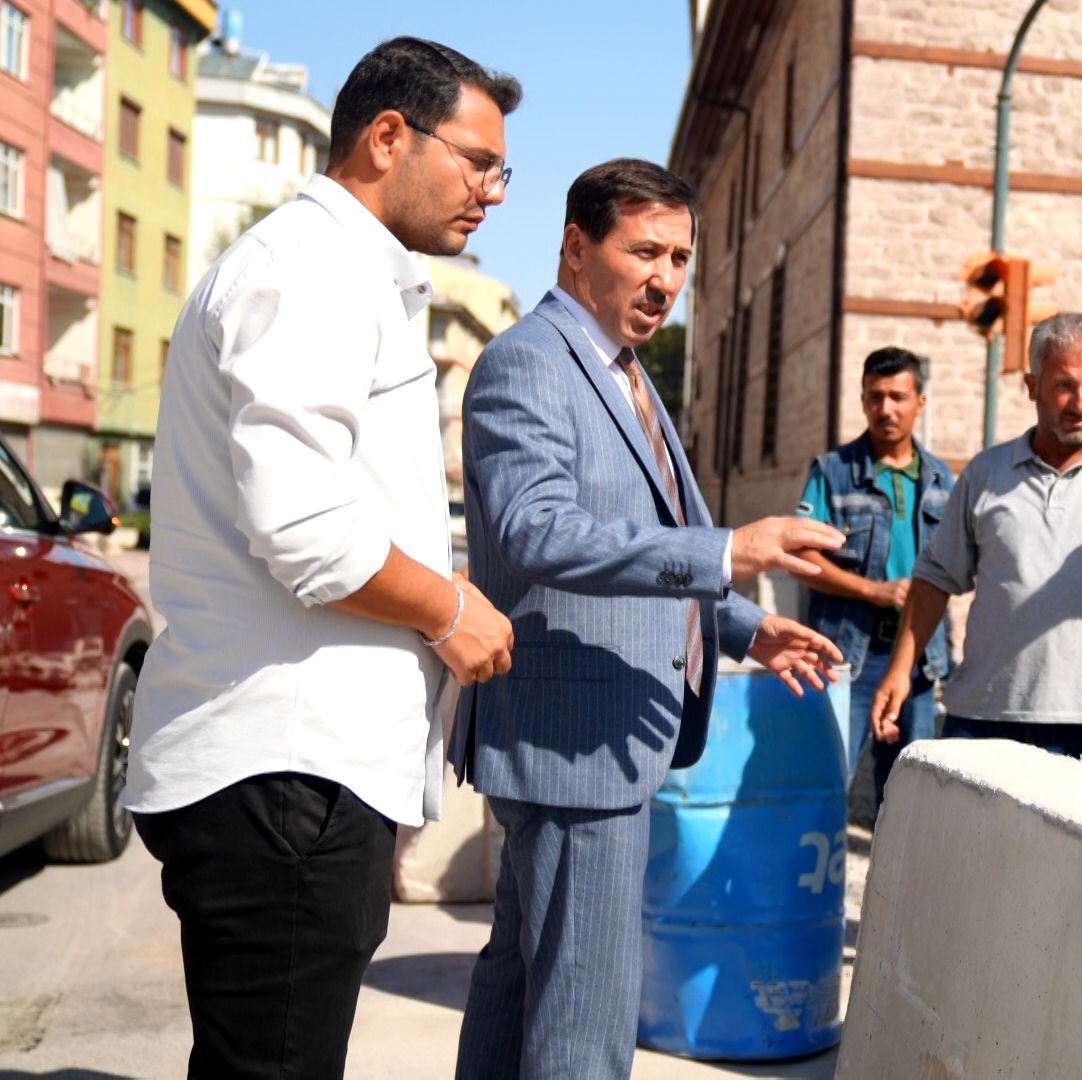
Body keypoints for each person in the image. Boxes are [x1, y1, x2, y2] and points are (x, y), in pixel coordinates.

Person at [122, 38, 521, 1078]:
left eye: (501, 171)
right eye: (479, 162)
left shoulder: (341, 272)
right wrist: (449, 610)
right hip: (283, 773)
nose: (492, 194)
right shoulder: (310, 271)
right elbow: (302, 525)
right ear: (389, 136)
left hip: (295, 774)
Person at [452, 159, 845, 1080]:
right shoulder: (530, 363)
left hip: (594, 739)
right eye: (644, 253)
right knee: (583, 1026)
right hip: (573, 742)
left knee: (523, 986)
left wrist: (743, 626)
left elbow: (645, 525)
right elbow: (537, 529)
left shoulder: (624, 369)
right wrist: (724, 552)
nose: (665, 279)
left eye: (680, 258)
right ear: (576, 246)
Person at [870, 313, 1082, 773]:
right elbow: (935, 577)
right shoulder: (985, 474)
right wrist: (900, 670)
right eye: (1064, 386)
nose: (1081, 403)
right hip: (983, 716)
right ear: (1032, 386)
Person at [796, 346, 955, 812]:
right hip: (847, 657)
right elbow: (801, 554)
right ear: (863, 400)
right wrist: (873, 591)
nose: (885, 408)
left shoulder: (942, 478)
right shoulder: (832, 472)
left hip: (920, 660)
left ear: (920, 402)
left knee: (912, 797)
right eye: (875, 396)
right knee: (827, 784)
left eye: (897, 397)